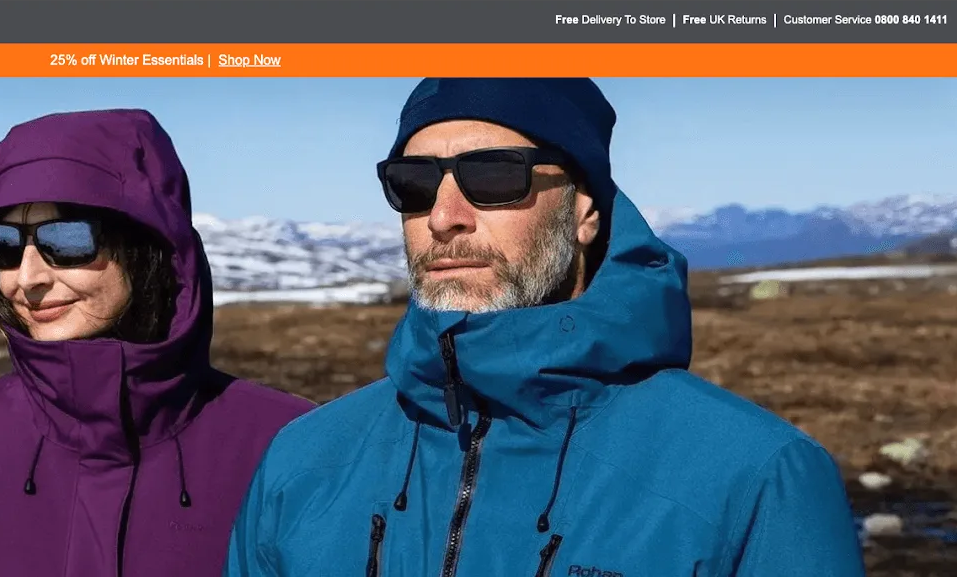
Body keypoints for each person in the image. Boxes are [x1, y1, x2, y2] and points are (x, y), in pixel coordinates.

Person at [224, 79, 865, 577]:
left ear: (585, 211)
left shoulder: (753, 474)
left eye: (495, 175)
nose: (445, 216)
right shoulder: (305, 460)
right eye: (414, 185)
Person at [0, 108, 314, 576]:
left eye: (66, 240)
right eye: (4, 244)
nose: (26, 278)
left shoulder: (288, 443)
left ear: (149, 246)